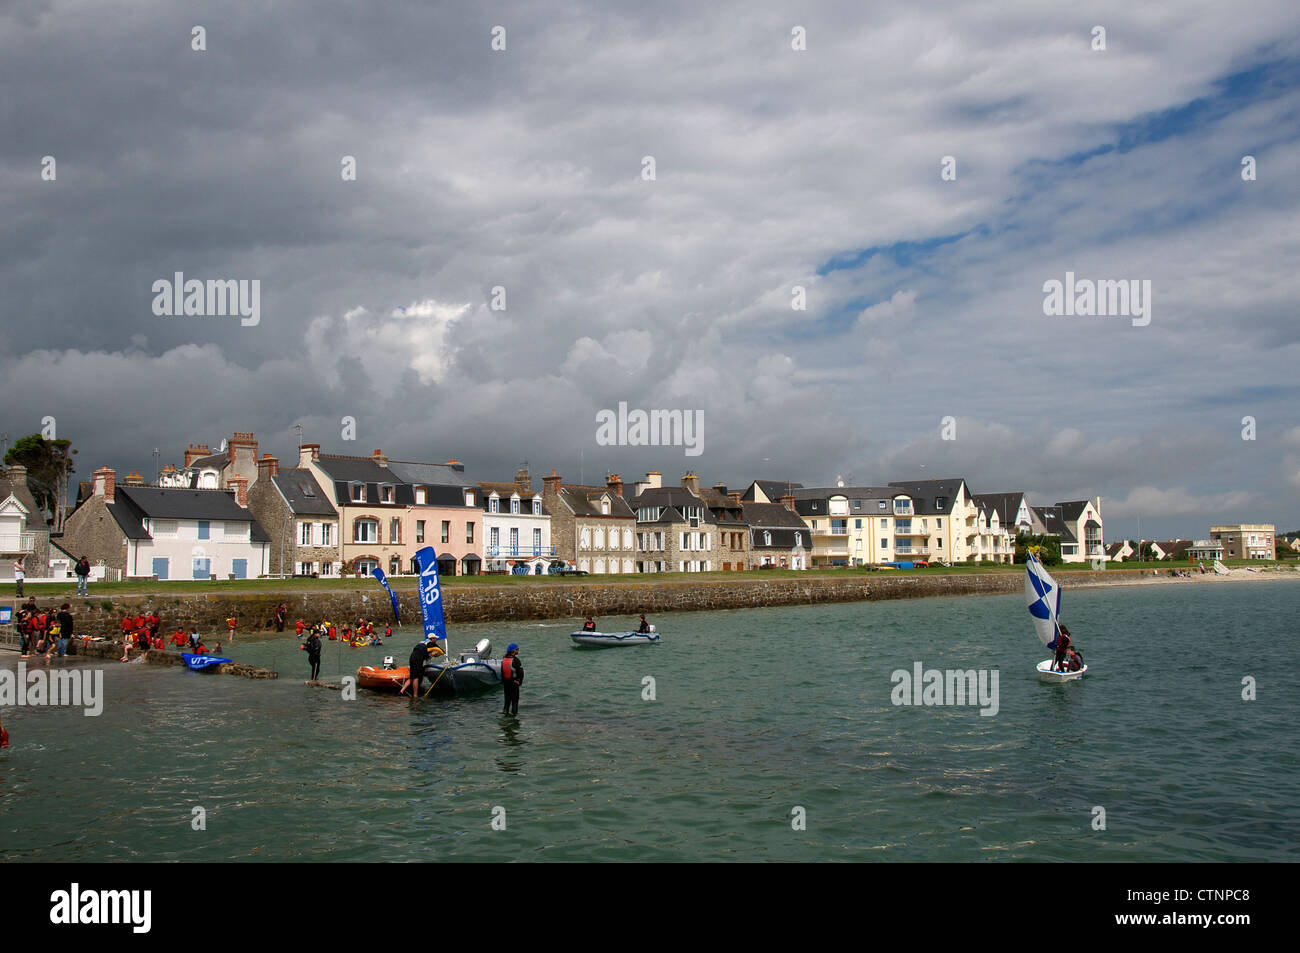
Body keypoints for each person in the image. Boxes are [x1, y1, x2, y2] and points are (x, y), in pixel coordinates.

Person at [501, 643, 523, 715]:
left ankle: (505, 716)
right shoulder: (515, 660)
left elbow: (502, 672)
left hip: (506, 684)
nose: (518, 651)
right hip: (514, 683)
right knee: (515, 702)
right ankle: (514, 718)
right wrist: (520, 682)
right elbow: (521, 672)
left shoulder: (504, 659)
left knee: (507, 701)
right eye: (517, 649)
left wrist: (503, 682)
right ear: (513, 650)